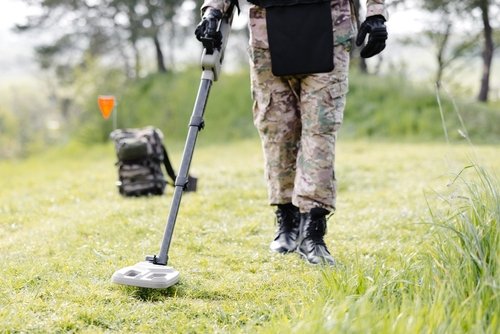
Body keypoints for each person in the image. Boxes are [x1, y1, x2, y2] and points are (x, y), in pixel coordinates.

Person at [196, 0, 388, 265]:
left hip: (329, 26)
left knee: (320, 130)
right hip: (267, 31)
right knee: (277, 129)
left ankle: (313, 231)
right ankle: (287, 221)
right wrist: (213, 11)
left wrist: (377, 13)